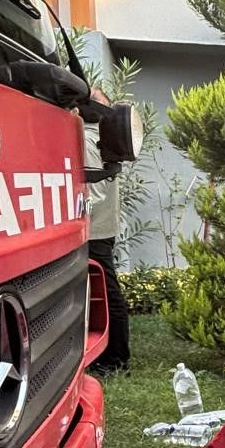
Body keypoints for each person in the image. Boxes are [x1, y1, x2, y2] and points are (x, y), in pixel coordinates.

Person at [85, 88, 131, 375]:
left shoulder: (87, 138)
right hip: (103, 227)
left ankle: (116, 360)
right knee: (104, 291)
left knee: (108, 293)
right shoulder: (101, 137)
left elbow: (93, 193)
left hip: (92, 231)